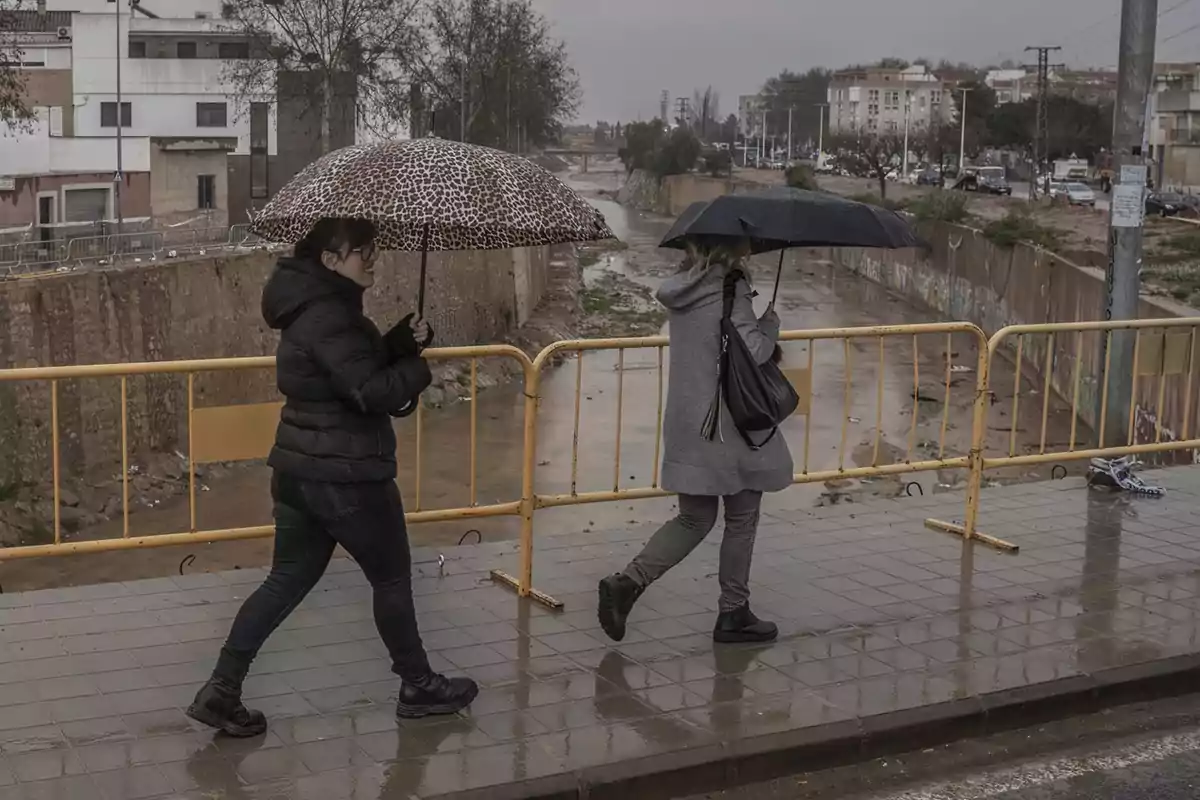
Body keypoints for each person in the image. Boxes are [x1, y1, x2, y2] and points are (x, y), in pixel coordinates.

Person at [187, 217, 478, 737]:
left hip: (300, 469)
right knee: (389, 577)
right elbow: (369, 391)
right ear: (328, 258)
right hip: (346, 476)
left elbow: (342, 373)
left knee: (286, 579)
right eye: (360, 251)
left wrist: (395, 344)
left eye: (373, 250)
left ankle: (221, 689)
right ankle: (418, 686)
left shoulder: (312, 308)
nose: (372, 258)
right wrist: (417, 371)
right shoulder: (332, 316)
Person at [598, 242, 793, 645]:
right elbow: (754, 350)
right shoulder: (731, 284)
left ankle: (627, 583)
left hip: (688, 421)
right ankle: (733, 612)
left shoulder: (680, 287)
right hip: (727, 423)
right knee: (742, 516)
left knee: (694, 518)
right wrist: (770, 325)